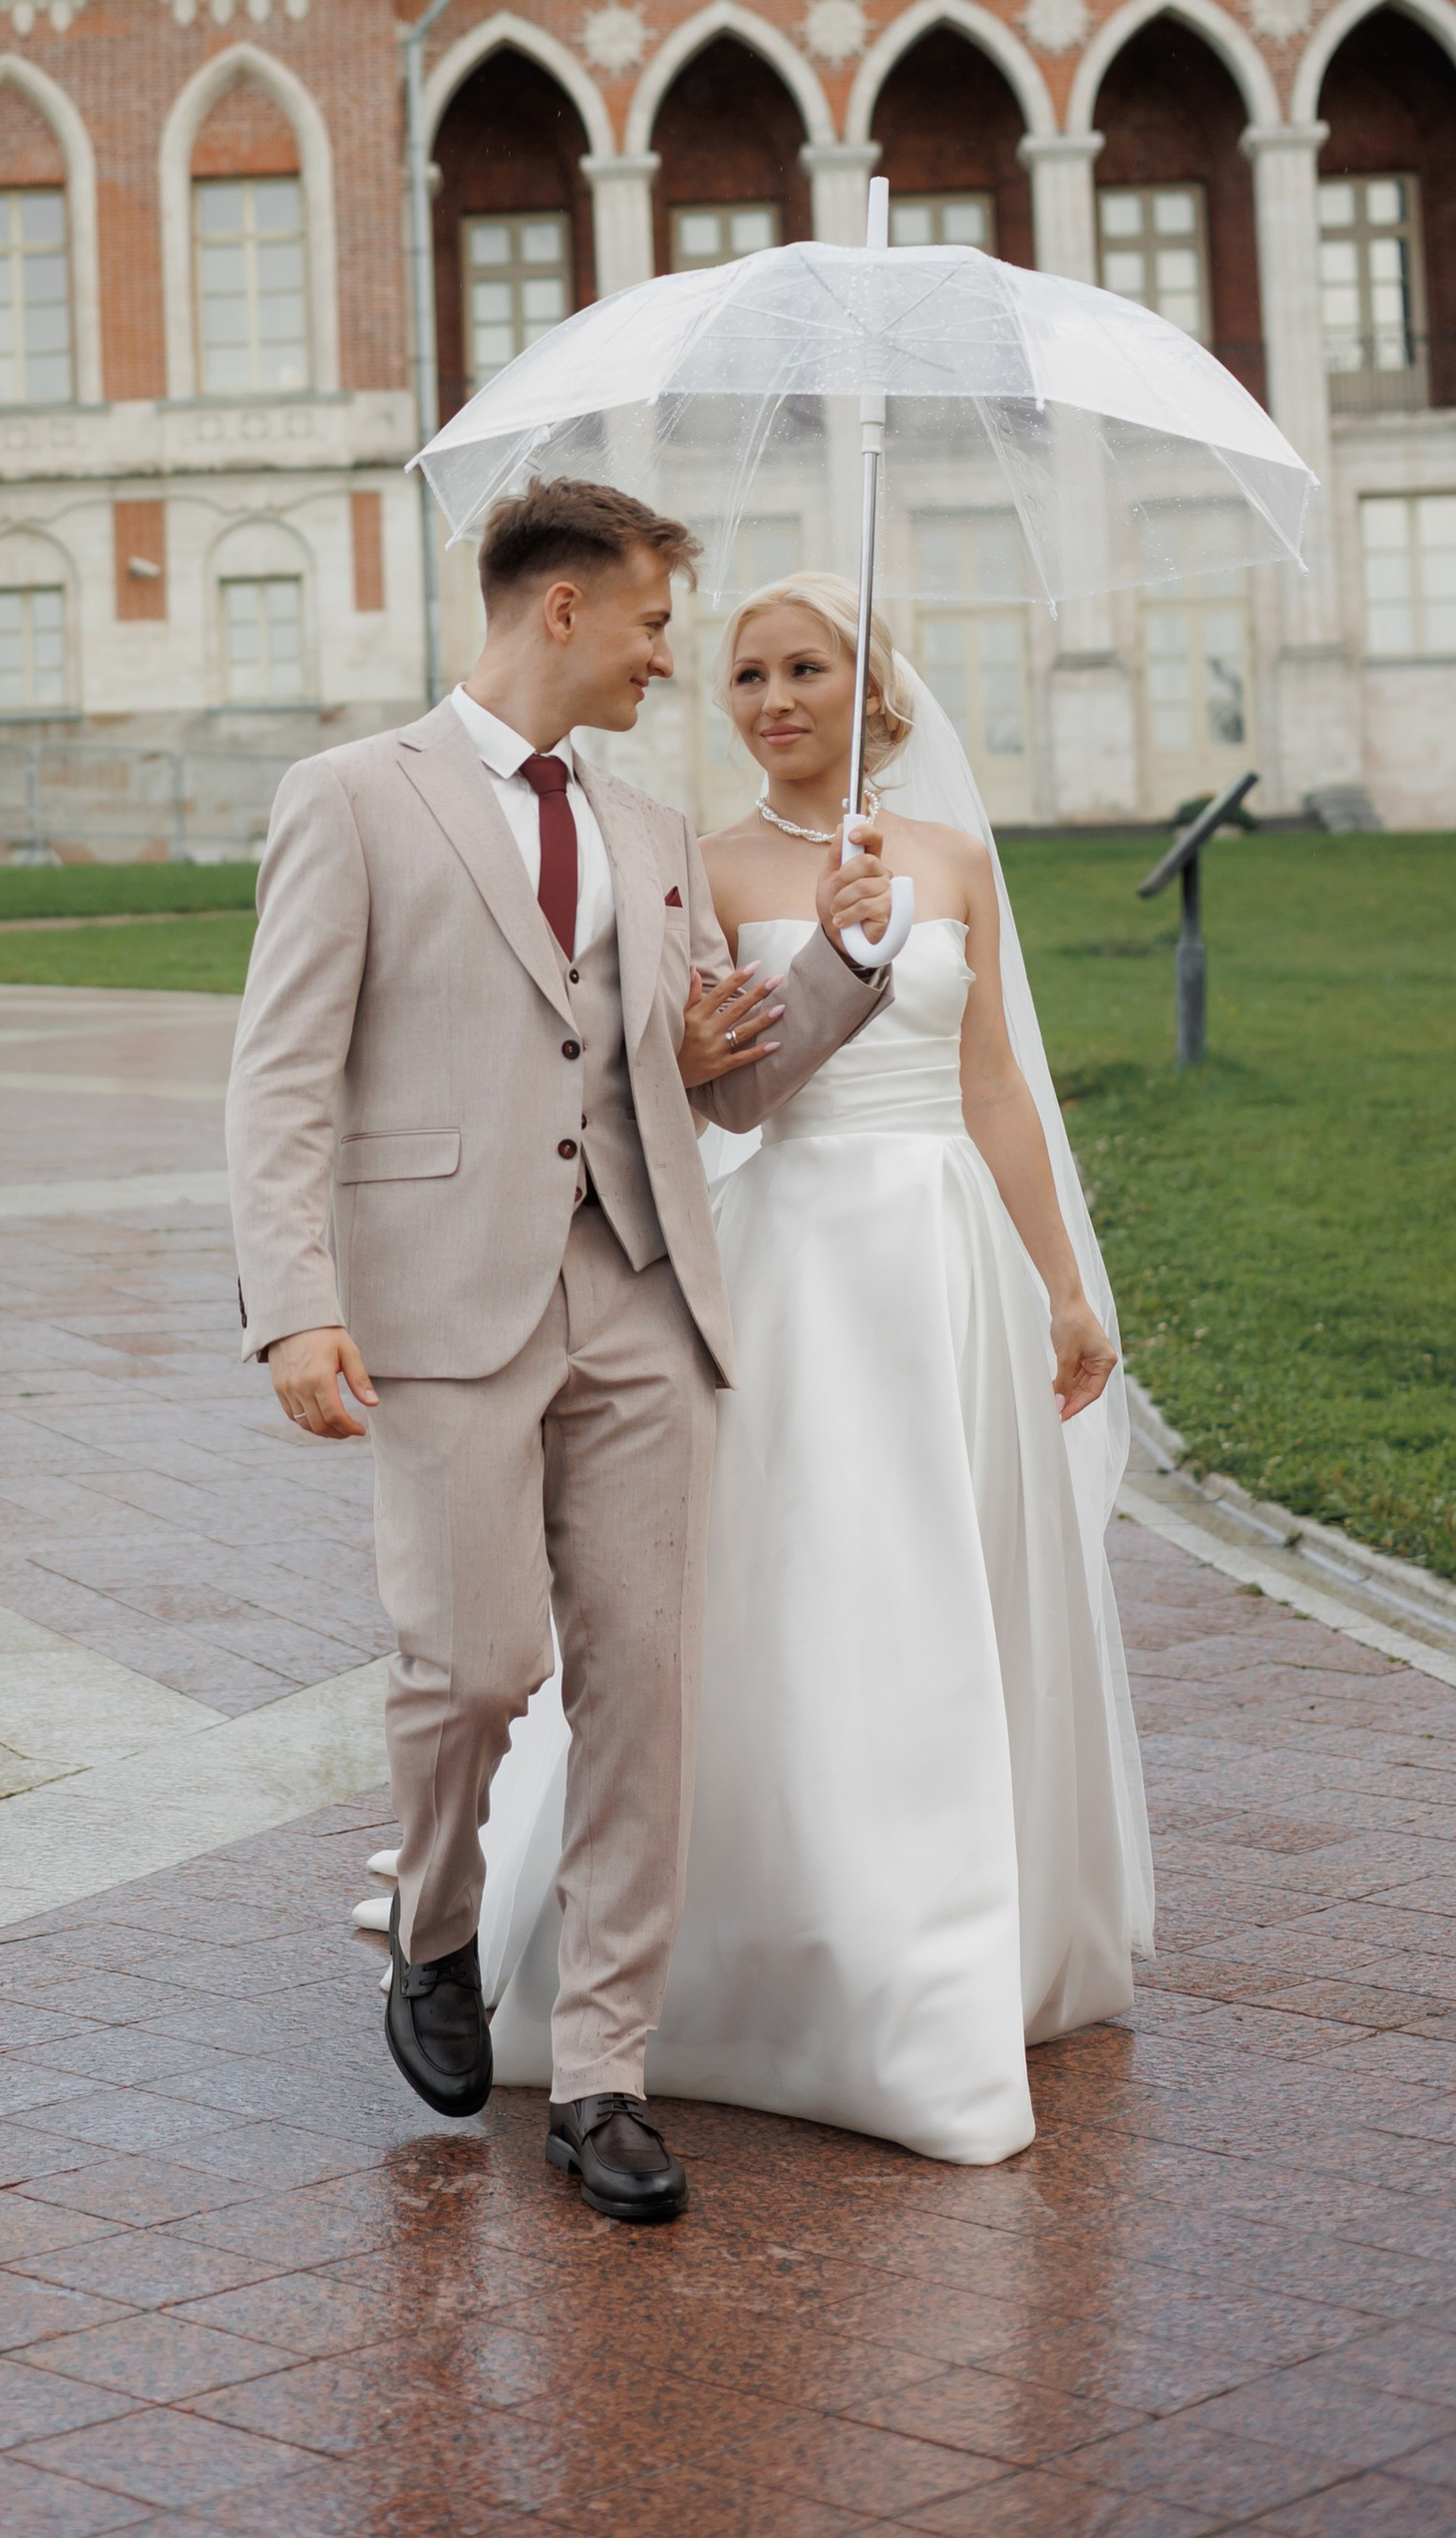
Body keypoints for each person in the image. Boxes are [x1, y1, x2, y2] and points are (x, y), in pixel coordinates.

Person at [228, 481, 895, 2223]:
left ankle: (605, 2072)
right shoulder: (354, 799)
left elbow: (720, 1082)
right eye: (663, 623)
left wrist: (844, 958)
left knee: (641, 1690)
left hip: (642, 1287)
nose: (681, 658)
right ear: (567, 614)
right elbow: (281, 1076)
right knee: (473, 1670)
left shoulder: (658, 828)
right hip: (441, 1302)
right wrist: (294, 1299)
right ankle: (438, 1924)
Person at [467, 577, 1151, 2166]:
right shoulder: (700, 875)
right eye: (747, 674)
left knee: (939, 1583)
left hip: (940, 1264)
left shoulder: (957, 864)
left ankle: (948, 1943)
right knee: (777, 1582)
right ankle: (749, 1951)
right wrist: (767, 1005)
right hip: (790, 1260)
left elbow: (994, 1094)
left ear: (870, 683)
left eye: (805, 667)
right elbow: (724, 1108)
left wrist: (1061, 1284)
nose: (774, 697)